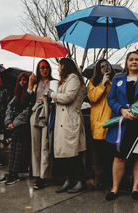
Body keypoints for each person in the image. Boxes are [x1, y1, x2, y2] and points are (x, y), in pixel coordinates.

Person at [105, 51, 138, 201]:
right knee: (119, 156)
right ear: (126, 62)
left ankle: (135, 188)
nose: (134, 62)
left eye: (136, 60)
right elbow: (111, 98)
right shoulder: (118, 78)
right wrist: (121, 110)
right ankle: (115, 188)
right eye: (131, 60)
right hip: (122, 123)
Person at [48, 58, 86, 193]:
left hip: (70, 121)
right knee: (66, 154)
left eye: (59, 66)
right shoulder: (66, 80)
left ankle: (81, 181)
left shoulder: (74, 78)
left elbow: (68, 97)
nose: (58, 69)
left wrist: (52, 94)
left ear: (64, 66)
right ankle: (69, 180)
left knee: (73, 154)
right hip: (63, 121)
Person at [0, 72, 32, 185]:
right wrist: (8, 122)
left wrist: (14, 123)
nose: (23, 82)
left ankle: (15, 174)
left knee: (19, 151)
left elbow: (26, 112)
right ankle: (11, 172)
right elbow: (9, 108)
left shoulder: (29, 94)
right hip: (14, 126)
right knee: (13, 150)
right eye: (21, 80)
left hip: (22, 127)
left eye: (25, 80)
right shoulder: (16, 94)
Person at [87, 59, 115, 189]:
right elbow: (93, 98)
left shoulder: (114, 82)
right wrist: (102, 84)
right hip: (99, 125)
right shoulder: (93, 83)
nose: (105, 68)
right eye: (102, 66)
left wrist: (111, 83)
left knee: (111, 155)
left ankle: (111, 179)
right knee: (101, 156)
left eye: (107, 66)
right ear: (98, 70)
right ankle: (102, 179)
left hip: (112, 123)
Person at [28, 59, 54, 190]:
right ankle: (37, 174)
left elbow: (56, 97)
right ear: (38, 69)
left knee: (45, 146)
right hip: (35, 115)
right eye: (42, 67)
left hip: (47, 114)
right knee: (35, 146)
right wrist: (29, 85)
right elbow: (27, 100)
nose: (45, 69)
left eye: (47, 67)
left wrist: (47, 99)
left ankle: (43, 176)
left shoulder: (53, 82)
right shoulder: (35, 83)